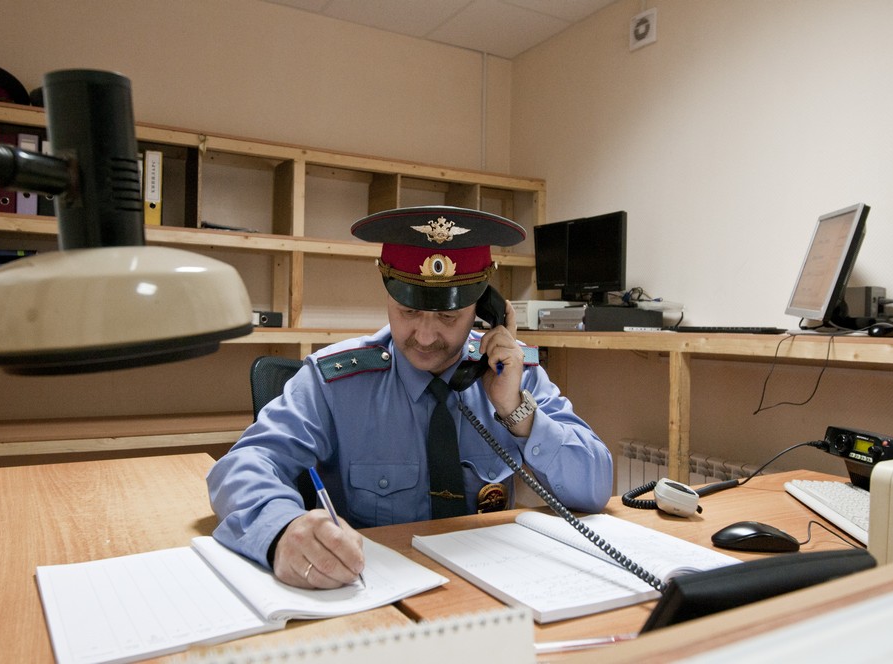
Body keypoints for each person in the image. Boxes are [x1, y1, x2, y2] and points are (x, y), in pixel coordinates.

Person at [207, 206, 613, 589]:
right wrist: (281, 529)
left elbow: (595, 485)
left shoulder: (513, 372)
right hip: (374, 590)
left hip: (492, 587)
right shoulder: (335, 382)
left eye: (449, 317)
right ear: (387, 293)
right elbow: (242, 466)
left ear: (484, 308)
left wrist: (516, 412)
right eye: (407, 312)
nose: (424, 336)